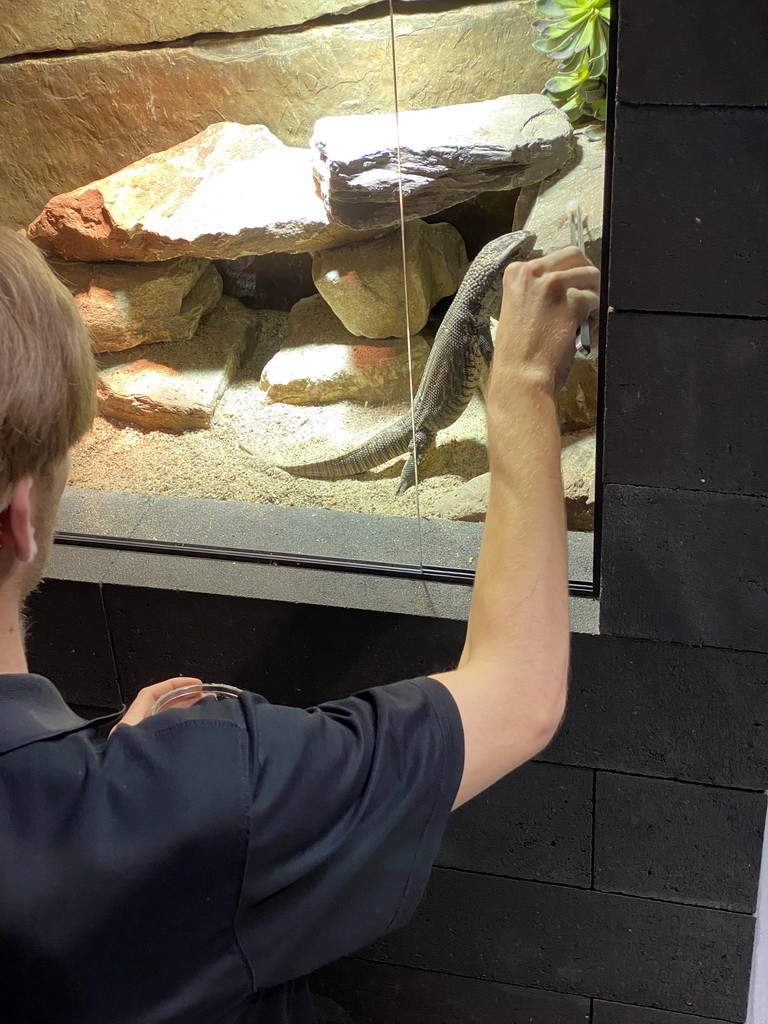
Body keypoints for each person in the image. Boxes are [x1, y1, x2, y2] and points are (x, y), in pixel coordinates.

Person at [0, 226, 599, 1023]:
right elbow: (520, 694)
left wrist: (102, 764)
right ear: (18, 520)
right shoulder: (194, 791)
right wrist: (523, 379)